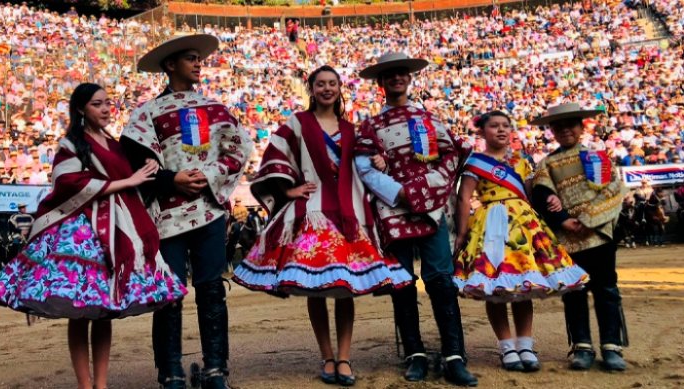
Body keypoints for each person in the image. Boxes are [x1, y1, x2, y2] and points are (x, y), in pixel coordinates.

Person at [0, 83, 187, 389]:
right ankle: (84, 384)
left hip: (117, 226)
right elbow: (67, 182)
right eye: (97, 104)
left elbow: (132, 175)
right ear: (80, 109)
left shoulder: (115, 144)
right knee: (80, 311)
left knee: (104, 310)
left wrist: (146, 168)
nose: (105, 109)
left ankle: (101, 384)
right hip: (82, 229)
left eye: (108, 103)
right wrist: (129, 180)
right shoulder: (71, 143)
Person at [233, 65, 412, 386]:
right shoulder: (297, 124)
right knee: (315, 288)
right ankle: (327, 355)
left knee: (344, 290)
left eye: (332, 84)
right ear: (311, 89)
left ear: (339, 89)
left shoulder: (351, 129)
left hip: (348, 215)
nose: (327, 89)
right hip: (311, 214)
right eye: (321, 84)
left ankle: (343, 357)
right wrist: (288, 190)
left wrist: (379, 160)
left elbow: (369, 161)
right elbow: (275, 155)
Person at [121, 35, 253, 389]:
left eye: (199, 58)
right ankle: (170, 373)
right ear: (170, 65)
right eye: (190, 59)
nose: (198, 63)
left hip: (209, 213)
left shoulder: (217, 109)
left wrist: (208, 175)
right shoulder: (145, 114)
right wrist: (170, 179)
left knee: (212, 290)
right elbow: (133, 165)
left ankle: (215, 369)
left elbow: (240, 149)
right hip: (165, 217)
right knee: (169, 293)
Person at [353, 52, 477, 386]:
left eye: (401, 73)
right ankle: (415, 354)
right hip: (394, 208)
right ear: (381, 83)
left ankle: (454, 355)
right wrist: (403, 194)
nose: (396, 78)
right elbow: (363, 167)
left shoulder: (430, 119)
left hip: (431, 209)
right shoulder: (370, 127)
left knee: (440, 279)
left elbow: (452, 155)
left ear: (409, 79)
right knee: (402, 282)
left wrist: (421, 192)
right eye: (389, 74)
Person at [453, 111, 589, 372]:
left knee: (522, 285)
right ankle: (506, 347)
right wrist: (461, 233)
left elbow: (532, 195)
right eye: (494, 126)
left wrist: (553, 203)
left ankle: (525, 344)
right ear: (482, 131)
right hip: (490, 225)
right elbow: (463, 198)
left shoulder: (522, 161)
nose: (501, 130)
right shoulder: (473, 163)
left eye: (506, 125)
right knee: (495, 290)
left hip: (523, 224)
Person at [530, 102, 628, 371]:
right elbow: (539, 195)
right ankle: (582, 345)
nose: (564, 130)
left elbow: (613, 192)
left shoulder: (599, 157)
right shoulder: (546, 164)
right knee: (574, 293)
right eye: (557, 126)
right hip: (569, 238)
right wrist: (564, 220)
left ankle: (612, 346)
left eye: (569, 125)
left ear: (581, 127)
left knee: (606, 289)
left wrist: (584, 221)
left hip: (597, 235)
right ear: (551, 131)